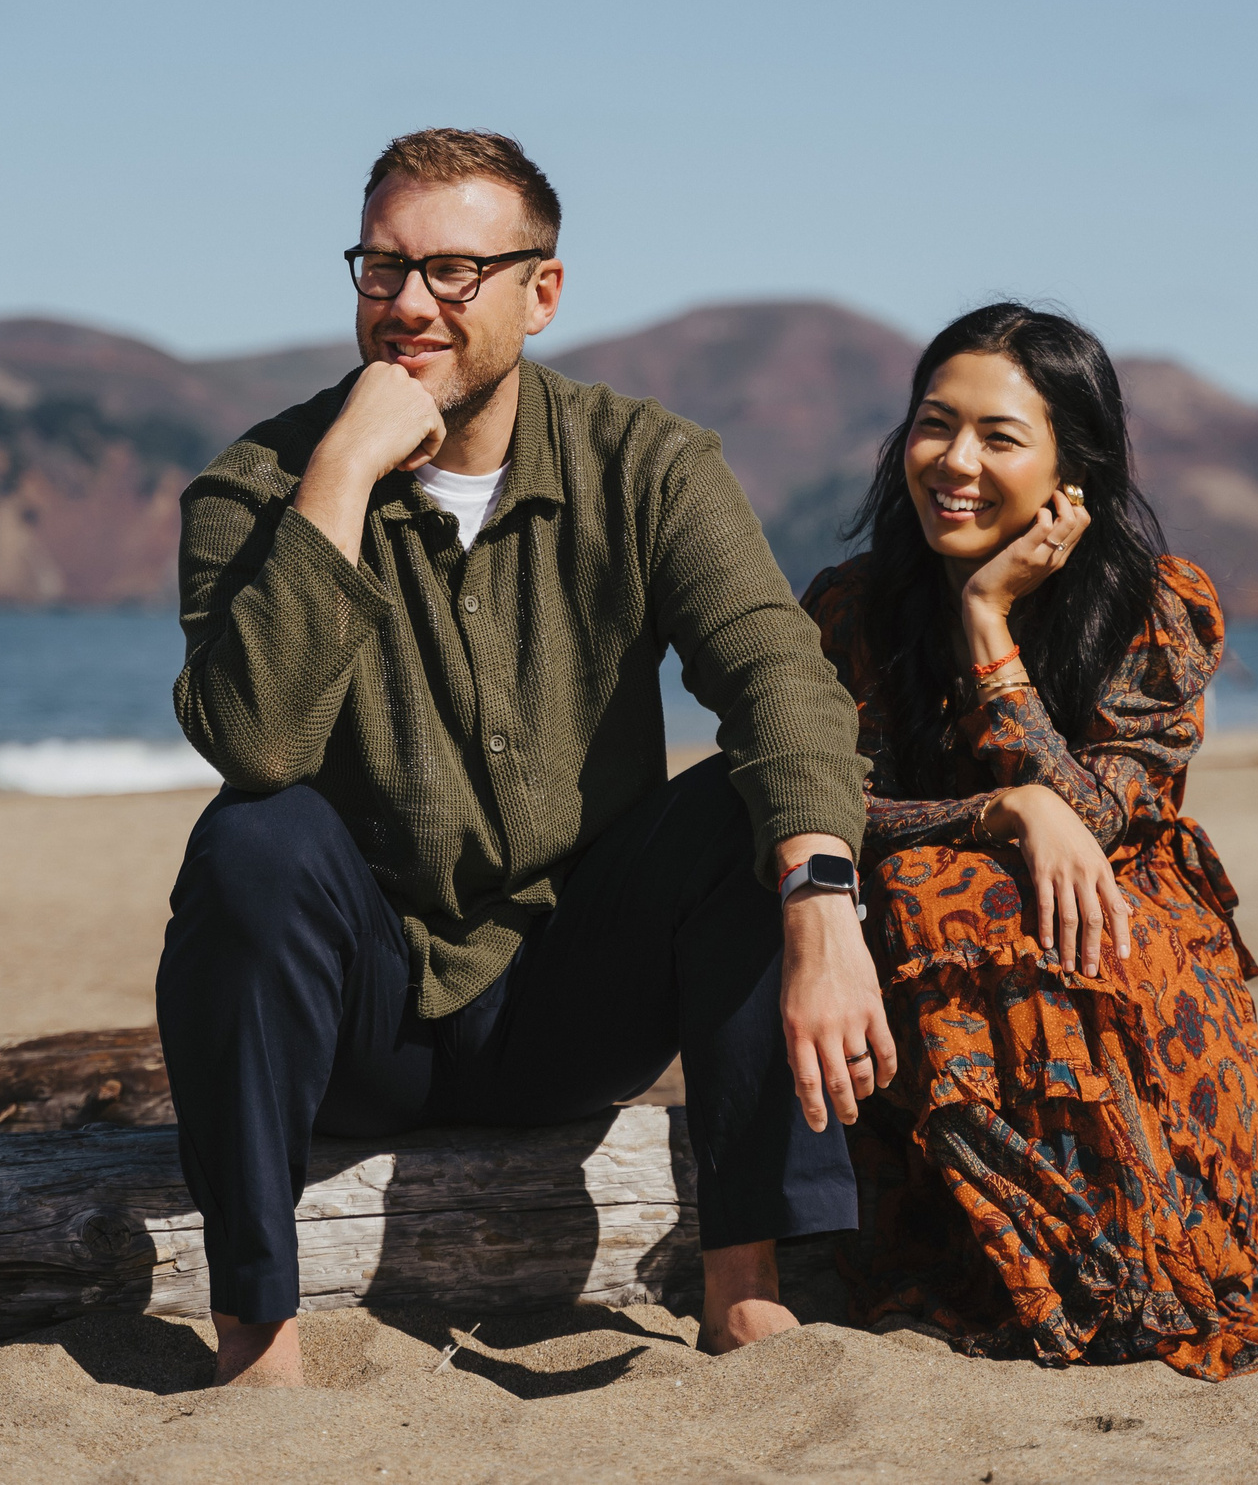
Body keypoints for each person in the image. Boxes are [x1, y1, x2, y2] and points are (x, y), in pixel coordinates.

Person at [158, 129, 891, 1388]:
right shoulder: (258, 486)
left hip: (571, 1002)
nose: (407, 303)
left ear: (540, 292)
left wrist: (823, 901)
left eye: (453, 271)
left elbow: (781, 677)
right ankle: (258, 1333)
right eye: (381, 268)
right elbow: (255, 740)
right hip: (364, 1017)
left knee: (749, 809)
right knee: (251, 841)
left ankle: (743, 1289)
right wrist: (342, 472)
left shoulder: (647, 464)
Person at [799, 303, 1258, 1379]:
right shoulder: (853, 610)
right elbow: (826, 803)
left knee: (955, 889)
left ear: (1073, 469)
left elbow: (1095, 825)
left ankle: (1104, 1262)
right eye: (935, 424)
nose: (955, 462)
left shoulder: (1152, 607)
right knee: (928, 884)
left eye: (999, 437)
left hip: (1117, 937)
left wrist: (987, 623)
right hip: (929, 959)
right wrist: (997, 811)